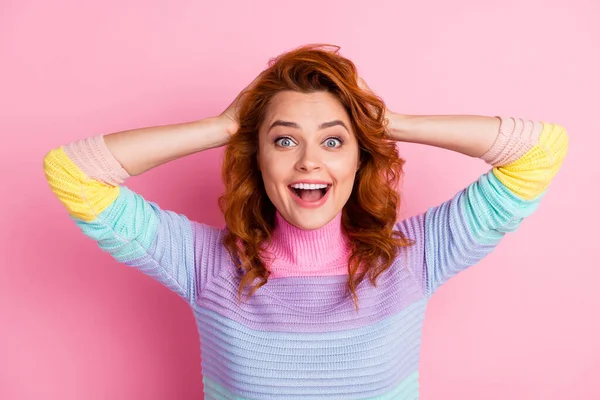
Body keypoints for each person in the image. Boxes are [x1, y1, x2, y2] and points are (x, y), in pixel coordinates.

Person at [43, 44, 569, 399]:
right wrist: (224, 124)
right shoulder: (205, 264)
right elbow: (73, 173)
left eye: (334, 141)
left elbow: (539, 152)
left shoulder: (414, 258)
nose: (309, 161)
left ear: (359, 159)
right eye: (285, 139)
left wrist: (384, 121)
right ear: (258, 158)